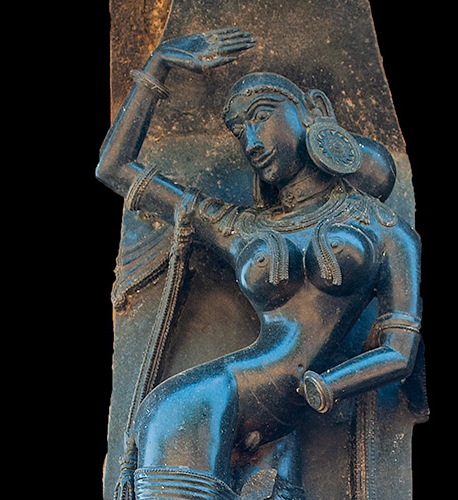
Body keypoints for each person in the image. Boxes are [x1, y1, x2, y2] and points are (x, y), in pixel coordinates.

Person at [96, 27, 421, 500]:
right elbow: (114, 168)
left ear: (311, 110)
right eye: (238, 130)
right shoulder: (242, 227)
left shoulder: (384, 227)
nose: (250, 141)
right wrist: (157, 66)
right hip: (199, 405)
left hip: (274, 416)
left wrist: (330, 385)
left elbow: (400, 351)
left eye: (261, 116)